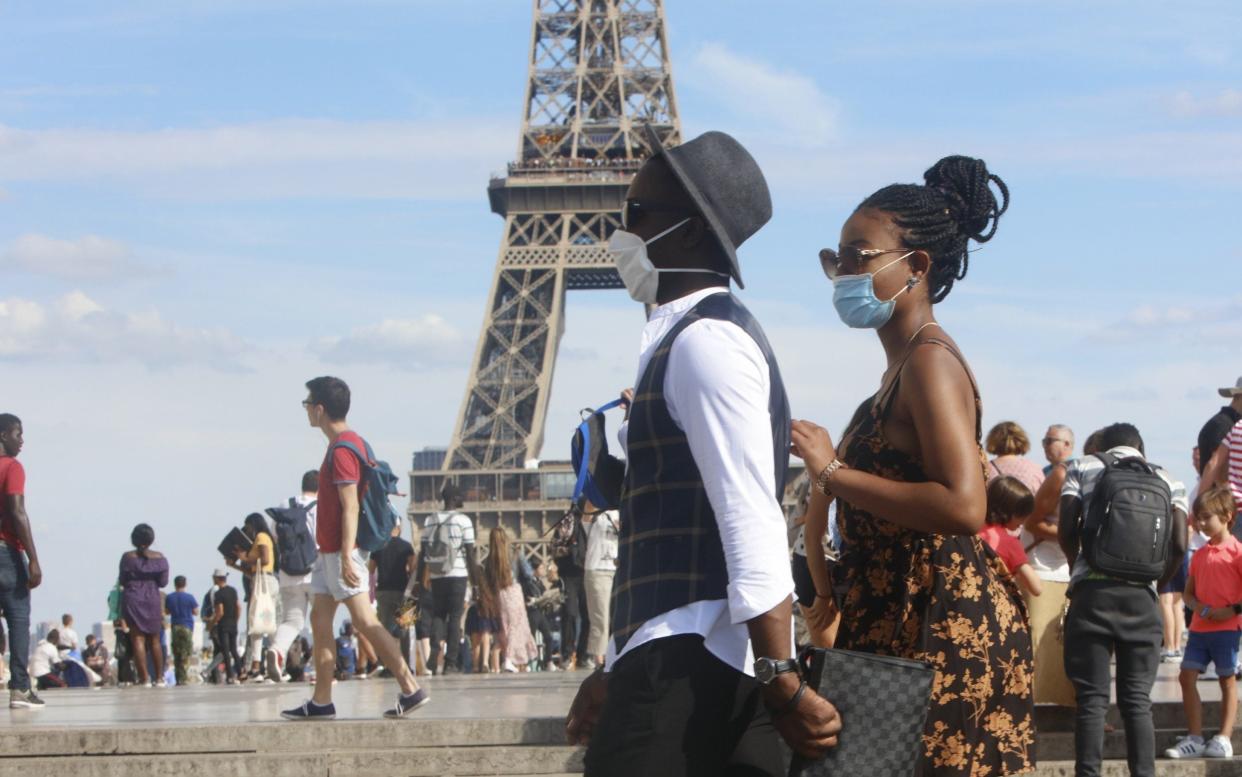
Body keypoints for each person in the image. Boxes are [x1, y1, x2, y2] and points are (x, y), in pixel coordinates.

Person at [567, 130, 840, 776]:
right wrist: (615, 662)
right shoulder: (681, 339)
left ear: (689, 234)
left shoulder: (705, 344)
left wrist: (781, 674)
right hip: (683, 657)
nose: (621, 230)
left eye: (637, 215)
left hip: (687, 669)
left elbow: (750, 516)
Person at [791, 155, 1033, 776]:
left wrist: (832, 472)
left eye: (858, 255)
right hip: (904, 618)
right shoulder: (900, 369)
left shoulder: (929, 361)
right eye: (835, 257)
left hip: (938, 625)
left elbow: (963, 505)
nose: (841, 271)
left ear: (915, 266)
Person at [281, 376, 427, 720]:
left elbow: (351, 506)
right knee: (320, 620)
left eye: (307, 404)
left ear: (319, 409)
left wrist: (346, 554)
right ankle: (321, 701)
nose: (305, 411)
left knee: (364, 620)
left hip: (341, 552)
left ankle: (410, 687)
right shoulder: (349, 444)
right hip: (328, 552)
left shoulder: (344, 450)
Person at [1059, 422, 1188, 777]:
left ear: (1101, 446)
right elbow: (1178, 543)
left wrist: (1079, 568)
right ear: (1140, 449)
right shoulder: (1170, 480)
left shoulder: (1083, 466)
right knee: (1137, 702)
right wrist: (1155, 582)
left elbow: (1067, 527)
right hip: (1142, 599)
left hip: (1092, 597)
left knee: (1092, 700)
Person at [1165, 486, 1241, 760]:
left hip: (1227, 629)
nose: (1200, 523)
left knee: (1227, 680)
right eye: (1198, 517)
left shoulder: (1237, 553)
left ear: (1227, 516)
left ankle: (1223, 737)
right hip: (1199, 628)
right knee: (1187, 677)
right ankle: (1195, 736)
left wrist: (1231, 610)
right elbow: (1188, 592)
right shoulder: (1199, 554)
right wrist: (1198, 606)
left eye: (1206, 517)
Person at [1025, 424, 1076, 705]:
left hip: (1066, 567)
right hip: (1044, 566)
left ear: (1068, 444)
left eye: (1050, 440)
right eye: (1043, 440)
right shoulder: (1055, 474)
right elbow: (1032, 521)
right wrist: (1073, 536)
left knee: (1063, 640)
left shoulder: (1072, 472)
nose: (1045, 445)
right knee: (1040, 640)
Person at [0, 413, 45, 709]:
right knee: (17, 619)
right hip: (5, 552)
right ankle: (19, 688)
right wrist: (33, 559)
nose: (22, 440)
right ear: (3, 435)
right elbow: (17, 512)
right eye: (18, 434)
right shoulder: (12, 467)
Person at [417, 482, 480, 676]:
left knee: (438, 615)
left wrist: (421, 580)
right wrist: (476, 582)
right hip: (457, 575)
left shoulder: (430, 520)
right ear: (453, 498)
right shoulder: (463, 521)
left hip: (437, 575)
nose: (463, 499)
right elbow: (470, 554)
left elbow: (422, 553)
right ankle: (451, 662)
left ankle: (434, 654)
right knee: (454, 617)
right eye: (460, 496)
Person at [268, 470, 319, 683]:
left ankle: (277, 650)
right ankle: (320, 670)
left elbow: (274, 534)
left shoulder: (284, 505)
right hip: (316, 573)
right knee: (321, 621)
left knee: (292, 621)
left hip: (289, 573)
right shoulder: (320, 508)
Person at [119, 523, 170, 688]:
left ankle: (144, 678)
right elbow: (163, 583)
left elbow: (122, 580)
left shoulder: (127, 558)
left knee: (137, 638)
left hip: (133, 597)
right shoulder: (161, 558)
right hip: (153, 598)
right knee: (155, 639)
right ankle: (160, 678)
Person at [231, 511, 278, 681]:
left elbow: (264, 560)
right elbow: (254, 570)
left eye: (248, 526)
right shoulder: (262, 538)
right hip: (262, 580)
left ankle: (258, 666)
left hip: (263, 583)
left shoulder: (262, 537)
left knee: (258, 623)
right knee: (264, 623)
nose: (247, 531)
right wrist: (236, 564)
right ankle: (269, 664)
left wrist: (244, 557)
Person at [980, 477, 1043, 597]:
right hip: (992, 603)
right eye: (1023, 515)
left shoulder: (971, 531)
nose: (1024, 522)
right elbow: (1036, 588)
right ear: (1011, 513)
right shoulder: (1010, 543)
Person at [487, 526, 537, 672]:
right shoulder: (515, 553)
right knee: (517, 627)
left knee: (505, 628)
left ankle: (510, 660)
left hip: (499, 594)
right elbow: (528, 574)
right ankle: (511, 659)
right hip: (514, 592)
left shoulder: (491, 559)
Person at [369, 522, 416, 673]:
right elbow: (414, 568)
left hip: (383, 591)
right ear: (399, 528)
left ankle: (387, 665)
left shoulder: (377, 546)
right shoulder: (406, 546)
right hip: (405, 592)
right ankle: (406, 665)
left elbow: (370, 569)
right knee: (406, 629)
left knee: (385, 630)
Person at [582, 504, 619, 668]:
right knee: (600, 618)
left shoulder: (620, 512)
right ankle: (599, 660)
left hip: (617, 569)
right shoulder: (595, 514)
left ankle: (615, 655)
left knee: (618, 617)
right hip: (597, 570)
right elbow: (588, 508)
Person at [985, 421, 1046, 499]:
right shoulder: (1034, 469)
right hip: (1026, 509)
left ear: (992, 441)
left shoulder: (985, 469)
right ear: (1021, 440)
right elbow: (1042, 496)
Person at [1197, 378, 1242, 479]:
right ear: (1239, 396)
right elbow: (1216, 467)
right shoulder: (1221, 426)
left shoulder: (1226, 424)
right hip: (1221, 493)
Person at [206, 569, 241, 684]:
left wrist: (211, 624)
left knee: (226, 651)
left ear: (216, 579)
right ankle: (241, 673)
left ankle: (230, 675)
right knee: (234, 650)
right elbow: (238, 607)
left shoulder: (218, 594)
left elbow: (219, 611)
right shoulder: (233, 590)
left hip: (223, 625)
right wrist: (236, 620)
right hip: (233, 624)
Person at [165, 575, 199, 686]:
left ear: (175, 584)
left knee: (177, 652)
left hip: (175, 627)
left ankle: (178, 677)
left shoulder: (170, 597)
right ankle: (184, 677)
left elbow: (167, 612)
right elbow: (196, 612)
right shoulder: (190, 597)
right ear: (185, 584)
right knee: (186, 653)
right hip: (187, 626)